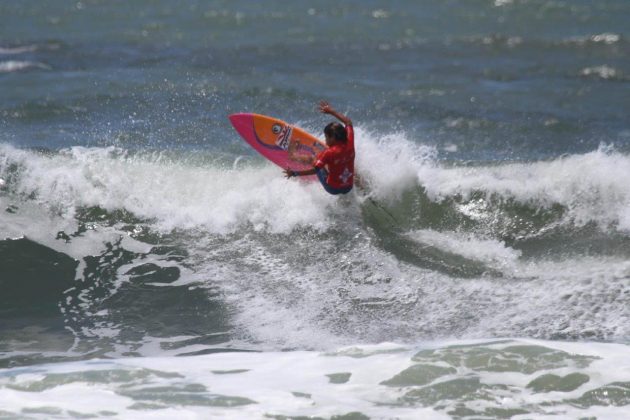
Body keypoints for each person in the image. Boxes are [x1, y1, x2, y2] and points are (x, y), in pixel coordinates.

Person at [283, 101, 355, 195]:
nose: (325, 140)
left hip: (332, 189)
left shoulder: (329, 152)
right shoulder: (350, 141)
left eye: (326, 137)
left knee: (313, 159)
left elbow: (316, 170)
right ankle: (359, 182)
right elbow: (348, 122)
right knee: (340, 162)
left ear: (332, 138)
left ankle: (293, 156)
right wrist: (332, 111)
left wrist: (294, 173)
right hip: (348, 187)